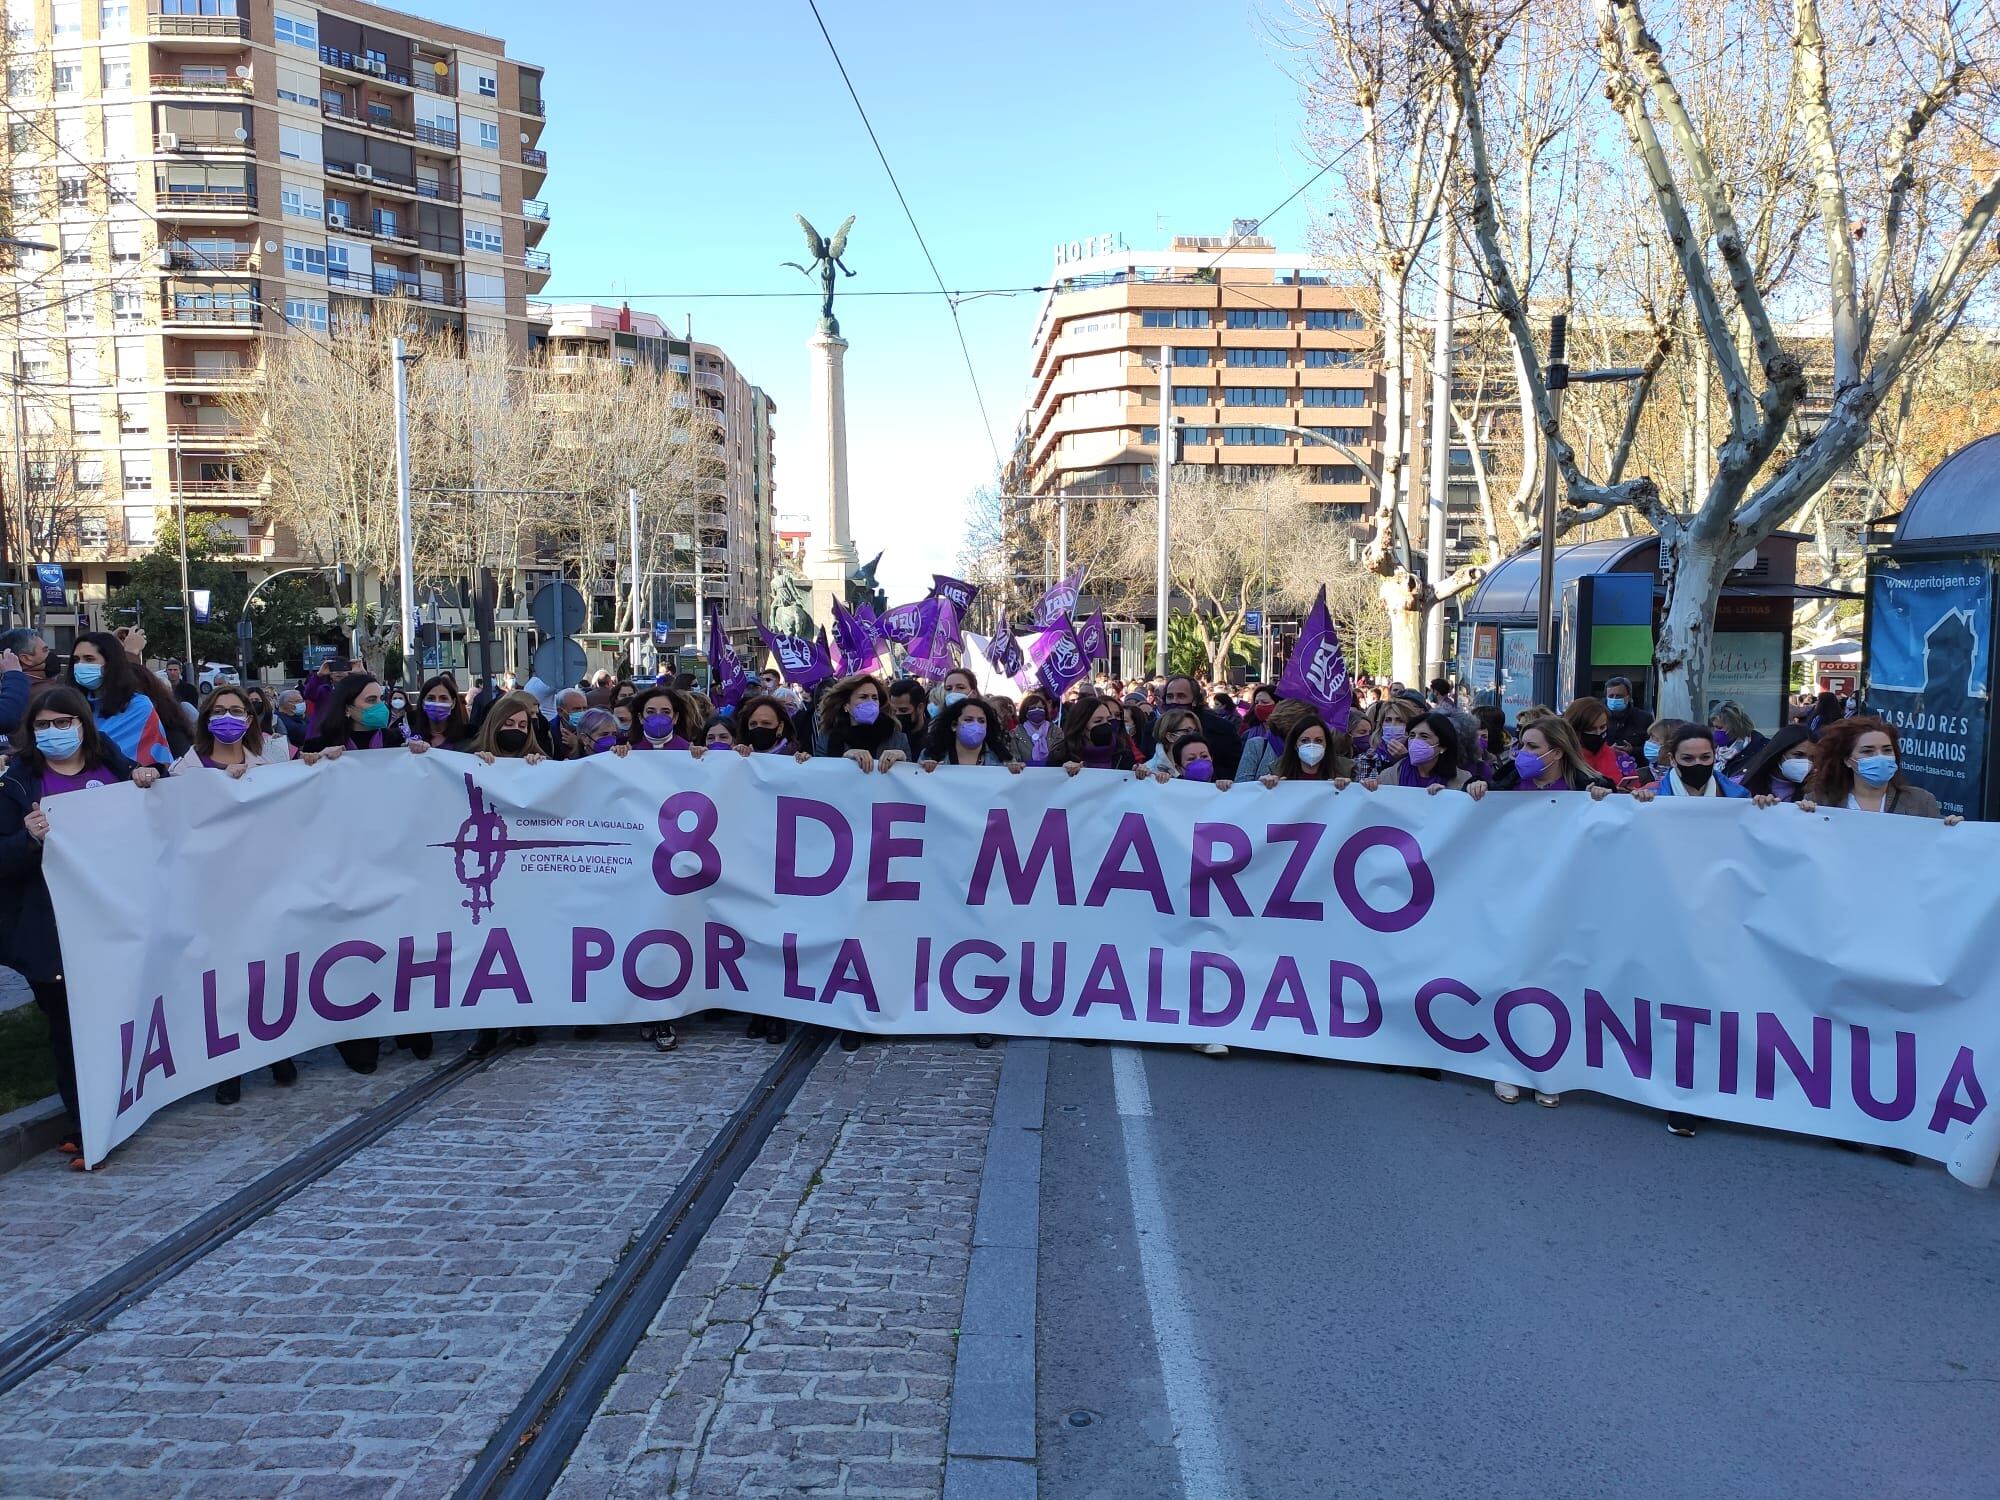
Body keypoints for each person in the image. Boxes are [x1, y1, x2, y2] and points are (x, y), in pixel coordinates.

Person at [0, 686, 160, 1164]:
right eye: (43, 726)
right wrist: (26, 840)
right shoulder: (18, 783)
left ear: (82, 725)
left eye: (62, 723)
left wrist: (149, 776)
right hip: (52, 928)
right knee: (70, 1027)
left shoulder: (112, 766)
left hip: (115, 917)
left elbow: (169, 809)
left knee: (114, 1017)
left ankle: (118, 1103)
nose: (53, 733)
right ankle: (84, 1121)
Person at [171, 686, 299, 1103]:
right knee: (225, 978)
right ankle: (231, 1065)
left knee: (268, 970)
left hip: (264, 884)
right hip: (214, 891)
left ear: (250, 718)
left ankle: (277, 1050)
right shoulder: (186, 770)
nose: (229, 717)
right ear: (206, 718)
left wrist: (320, 762)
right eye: (220, 710)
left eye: (237, 710)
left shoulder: (273, 761)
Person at [301, 674, 436, 1069]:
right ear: (348, 707)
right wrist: (307, 765)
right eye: (371, 699)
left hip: (393, 861)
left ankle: (410, 1023)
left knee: (398, 943)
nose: (381, 706)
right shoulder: (317, 747)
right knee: (353, 946)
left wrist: (424, 758)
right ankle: (357, 1032)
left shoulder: (395, 744)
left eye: (382, 698)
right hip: (343, 867)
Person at [1798, 717, 1959, 822]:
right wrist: (1792, 815)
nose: (1880, 757)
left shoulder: (1921, 801)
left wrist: (1953, 828)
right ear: (1848, 760)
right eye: (1868, 751)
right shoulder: (1820, 800)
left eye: (1887, 750)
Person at [66, 632, 179, 766]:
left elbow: (159, 761)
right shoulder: (69, 706)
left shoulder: (138, 706)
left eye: (89, 659)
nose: (80, 665)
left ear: (110, 663)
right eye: (76, 660)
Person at [1484, 716, 1613, 798]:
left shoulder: (1585, 788)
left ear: (1557, 753)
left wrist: (1602, 800)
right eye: (1522, 745)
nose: (1522, 752)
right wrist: (1475, 787)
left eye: (1532, 746)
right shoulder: (1504, 782)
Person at [813, 673, 910, 773]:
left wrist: (904, 760)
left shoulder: (898, 740)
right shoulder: (827, 739)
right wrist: (842, 760)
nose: (870, 702)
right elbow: (819, 776)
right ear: (846, 705)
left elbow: (913, 780)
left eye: (874, 698)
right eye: (863, 697)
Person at [1631, 721, 1753, 800]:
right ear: (1672, 759)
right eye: (1688, 758)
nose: (1698, 763)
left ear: (1714, 756)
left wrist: (1765, 808)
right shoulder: (1651, 795)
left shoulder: (1739, 797)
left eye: (1705, 757)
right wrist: (1637, 804)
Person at [1371, 711, 1477, 793]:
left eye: (1424, 736)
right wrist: (1370, 787)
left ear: (1443, 747)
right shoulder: (1389, 776)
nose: (1415, 741)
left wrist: (1446, 797)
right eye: (1412, 736)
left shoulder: (1463, 780)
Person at [1160, 674, 1242, 776]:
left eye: (1181, 696)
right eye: (1170, 696)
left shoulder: (1223, 729)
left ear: (1194, 700)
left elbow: (1234, 767)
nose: (1174, 701)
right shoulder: (1152, 728)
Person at [922, 695, 1023, 772]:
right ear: (954, 725)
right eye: (968, 720)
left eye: (981, 721)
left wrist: (1016, 771)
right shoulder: (931, 755)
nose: (976, 725)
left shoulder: (1003, 759)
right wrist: (925, 771)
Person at [1260, 712, 1354, 786]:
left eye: (1319, 740)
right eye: (1304, 741)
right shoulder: (1277, 771)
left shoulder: (1346, 770)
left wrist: (1349, 788)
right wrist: (1267, 786)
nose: (1312, 745)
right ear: (1295, 744)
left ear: (1327, 744)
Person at [1730, 723, 1815, 801]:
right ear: (1779, 752)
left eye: (1812, 757)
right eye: (1798, 755)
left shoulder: (1813, 790)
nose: (1806, 762)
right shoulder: (1738, 784)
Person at [1059, 696, 1135, 774]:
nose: (1106, 725)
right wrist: (1062, 772)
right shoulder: (1061, 755)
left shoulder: (1123, 754)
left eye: (1108, 720)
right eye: (1098, 721)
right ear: (1081, 726)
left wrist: (1139, 773)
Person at [1562, 696, 1628, 786]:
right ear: (1574, 729)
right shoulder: (1561, 759)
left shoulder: (1621, 758)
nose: (1598, 733)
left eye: (1602, 727)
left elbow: (1635, 790)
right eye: (1591, 729)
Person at [408, 674, 472, 750]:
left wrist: (482, 757)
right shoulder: (410, 735)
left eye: (443, 698)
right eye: (431, 698)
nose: (437, 703)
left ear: (453, 703)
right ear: (423, 703)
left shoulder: (468, 738)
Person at [626, 685, 694, 752]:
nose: (658, 717)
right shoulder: (630, 749)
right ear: (640, 718)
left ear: (675, 718)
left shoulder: (687, 750)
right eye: (650, 712)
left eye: (666, 712)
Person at [1601, 676, 1652, 762]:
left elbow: (1652, 750)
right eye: (1611, 696)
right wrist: (1607, 751)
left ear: (1628, 696)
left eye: (1619, 696)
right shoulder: (1597, 718)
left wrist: (1633, 750)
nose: (1614, 699)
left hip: (1635, 769)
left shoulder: (1644, 718)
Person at [1708, 700, 1765, 777]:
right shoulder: (1716, 748)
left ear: (1734, 727)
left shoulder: (1758, 748)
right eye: (1714, 727)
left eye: (1719, 727)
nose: (1715, 731)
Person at [1013, 690, 1058, 767]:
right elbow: (1014, 757)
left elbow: (1061, 755)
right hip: (1025, 775)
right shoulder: (1015, 733)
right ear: (1025, 712)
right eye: (1033, 708)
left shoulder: (1056, 731)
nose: (1037, 710)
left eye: (1040, 708)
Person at [886, 678, 927, 745]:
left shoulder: (933, 737)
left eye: (903, 710)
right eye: (894, 711)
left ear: (920, 708)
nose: (897, 714)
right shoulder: (890, 736)